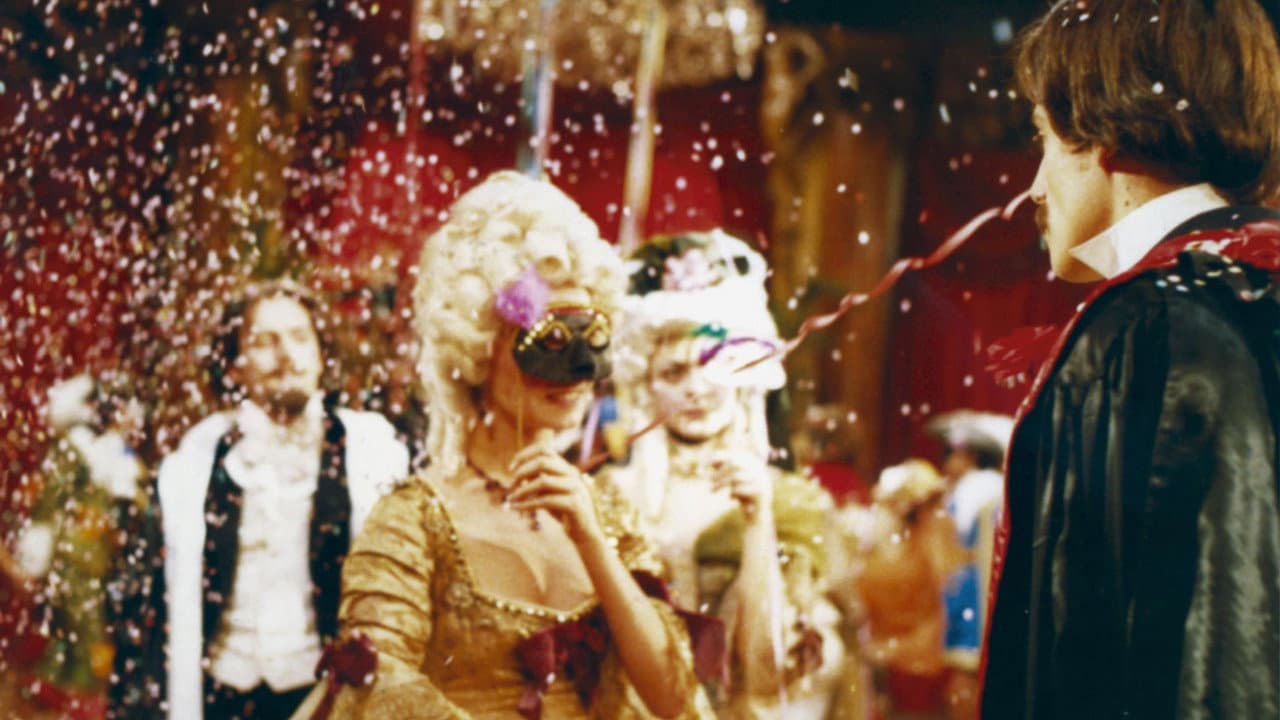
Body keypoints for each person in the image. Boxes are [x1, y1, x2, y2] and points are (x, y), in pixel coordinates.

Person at [304, 170, 714, 719]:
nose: (577, 369)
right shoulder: (414, 522)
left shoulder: (609, 515)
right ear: (479, 351)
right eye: (548, 340)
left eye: (591, 336)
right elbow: (378, 688)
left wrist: (593, 542)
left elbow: (673, 697)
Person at [983, 1, 1280, 717]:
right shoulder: (1249, 294)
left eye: (1044, 137)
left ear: (1105, 128)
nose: (1034, 187)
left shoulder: (1152, 328)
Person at [608, 229, 844, 718]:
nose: (696, 388)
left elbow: (766, 676)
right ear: (646, 386)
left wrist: (759, 521)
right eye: (673, 373)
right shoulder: (610, 495)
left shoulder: (789, 502)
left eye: (714, 364)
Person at [153, 280, 409, 720]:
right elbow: (154, 605)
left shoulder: (368, 452)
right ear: (234, 366)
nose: (286, 354)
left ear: (320, 355)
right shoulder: (198, 463)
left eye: (299, 337)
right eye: (265, 341)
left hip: (321, 696)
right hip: (224, 697)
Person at [5, 374, 147, 720]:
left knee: (76, 636)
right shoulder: (75, 448)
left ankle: (55, 694)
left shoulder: (118, 454)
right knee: (81, 635)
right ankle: (71, 701)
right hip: (70, 557)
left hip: (100, 559)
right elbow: (49, 507)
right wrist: (37, 557)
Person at [840, 460, 963, 720]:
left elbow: (943, 589)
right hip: (885, 663)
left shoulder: (928, 540)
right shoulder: (875, 539)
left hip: (917, 661)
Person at [924, 410, 1011, 720]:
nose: (949, 464)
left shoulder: (978, 490)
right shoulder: (989, 490)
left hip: (972, 602)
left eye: (956, 454)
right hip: (968, 598)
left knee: (966, 683)